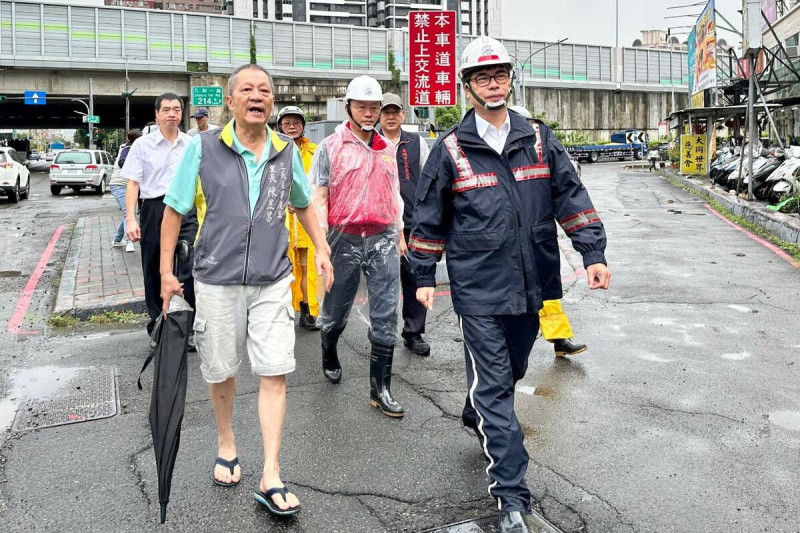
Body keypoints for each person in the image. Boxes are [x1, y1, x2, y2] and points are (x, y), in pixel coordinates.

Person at [408, 36, 611, 532]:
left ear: (509, 80)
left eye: (499, 74)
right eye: (482, 77)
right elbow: (429, 217)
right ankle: (512, 499)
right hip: (477, 290)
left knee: (512, 368)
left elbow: (570, 194)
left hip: (532, 284)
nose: (492, 83)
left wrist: (593, 253)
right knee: (498, 387)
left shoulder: (538, 137)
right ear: (468, 86)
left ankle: (475, 410)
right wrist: (422, 277)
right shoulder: (452, 148)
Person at [159, 64, 333, 516]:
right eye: (248, 89)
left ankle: (271, 473)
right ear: (232, 101)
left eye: (265, 90)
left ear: (271, 103)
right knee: (219, 370)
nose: (258, 96)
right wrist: (165, 273)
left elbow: (302, 204)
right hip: (216, 278)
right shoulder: (203, 148)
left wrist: (322, 249)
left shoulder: (284, 151)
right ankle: (226, 440)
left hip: (272, 279)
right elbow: (174, 210)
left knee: (275, 370)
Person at [309, 75, 406, 418]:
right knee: (336, 310)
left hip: (382, 237)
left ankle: (380, 388)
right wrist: (322, 244)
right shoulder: (330, 148)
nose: (368, 113)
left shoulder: (387, 149)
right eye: (362, 106)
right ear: (348, 107)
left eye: (373, 107)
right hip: (343, 237)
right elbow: (319, 197)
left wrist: (400, 233)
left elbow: (394, 196)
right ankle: (328, 345)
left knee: (386, 310)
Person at [507, 105, 588, 358]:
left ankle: (559, 338)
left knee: (546, 293)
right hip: (505, 247)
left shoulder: (541, 148)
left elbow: (566, 194)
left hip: (537, 242)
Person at [123, 94, 198, 344]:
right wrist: (131, 219)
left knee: (189, 268)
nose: (172, 114)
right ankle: (158, 324)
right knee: (154, 267)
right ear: (157, 114)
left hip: (186, 209)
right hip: (154, 208)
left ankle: (185, 326)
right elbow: (133, 183)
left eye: (176, 110)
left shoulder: (191, 144)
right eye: (166, 110)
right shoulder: (142, 145)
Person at [378, 92, 431, 356]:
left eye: (395, 111)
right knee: (382, 281)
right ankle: (382, 333)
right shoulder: (371, 143)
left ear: (402, 114)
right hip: (379, 225)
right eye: (385, 112)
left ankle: (413, 331)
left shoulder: (417, 142)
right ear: (379, 114)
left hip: (412, 222)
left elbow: (430, 180)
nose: (390, 116)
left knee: (413, 278)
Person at [276, 105, 320, 330]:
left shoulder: (315, 151)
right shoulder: (271, 150)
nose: (292, 127)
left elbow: (321, 183)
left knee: (308, 267)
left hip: (306, 221)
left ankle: (307, 311)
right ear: (279, 126)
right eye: (287, 123)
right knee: (284, 270)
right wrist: (285, 201)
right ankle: (284, 313)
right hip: (281, 222)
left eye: (296, 123)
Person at [110, 128, 142, 253]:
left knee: (129, 213)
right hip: (119, 184)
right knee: (128, 213)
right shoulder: (128, 149)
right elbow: (122, 162)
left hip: (126, 184)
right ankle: (129, 242)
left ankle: (117, 240)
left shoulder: (131, 147)